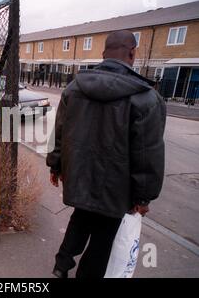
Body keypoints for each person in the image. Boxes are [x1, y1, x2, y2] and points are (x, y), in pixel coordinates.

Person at [46, 30, 166, 278]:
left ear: (103, 55)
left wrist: (55, 166)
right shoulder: (146, 99)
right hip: (117, 186)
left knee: (81, 216)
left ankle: (62, 265)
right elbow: (148, 153)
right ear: (132, 52)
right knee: (103, 238)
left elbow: (60, 132)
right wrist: (144, 197)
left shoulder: (74, 88)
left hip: (79, 174)